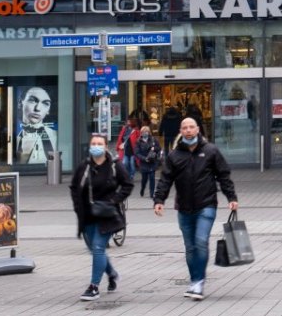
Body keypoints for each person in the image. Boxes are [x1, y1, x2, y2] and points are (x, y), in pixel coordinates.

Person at [153, 118, 239, 301]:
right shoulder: (174, 155)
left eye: (191, 127)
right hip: (184, 208)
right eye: (185, 128)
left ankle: (199, 282)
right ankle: (194, 281)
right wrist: (159, 200)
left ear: (198, 129)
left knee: (200, 241)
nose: (188, 130)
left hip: (206, 205)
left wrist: (231, 197)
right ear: (180, 131)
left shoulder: (210, 151)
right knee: (190, 247)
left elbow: (223, 175)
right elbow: (165, 179)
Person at [69, 133, 133, 301]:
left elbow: (128, 184)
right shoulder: (84, 166)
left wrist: (114, 201)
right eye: (93, 143)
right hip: (88, 215)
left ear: (105, 147)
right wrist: (78, 208)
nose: (96, 146)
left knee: (98, 248)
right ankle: (112, 273)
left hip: (107, 214)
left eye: (99, 143)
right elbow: (74, 188)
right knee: (94, 249)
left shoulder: (114, 166)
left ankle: (94, 287)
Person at [14, 86, 57, 165]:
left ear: (48, 110)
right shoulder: (15, 141)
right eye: (32, 100)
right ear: (20, 103)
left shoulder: (56, 137)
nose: (37, 108)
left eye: (45, 103)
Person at [134, 124, 162, 198]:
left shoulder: (153, 139)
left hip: (152, 162)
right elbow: (137, 153)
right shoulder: (138, 141)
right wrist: (144, 158)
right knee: (144, 179)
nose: (145, 133)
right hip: (144, 163)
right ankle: (142, 189)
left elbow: (159, 148)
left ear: (149, 132)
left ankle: (152, 193)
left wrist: (154, 149)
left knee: (152, 178)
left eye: (146, 131)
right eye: (143, 131)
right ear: (141, 132)